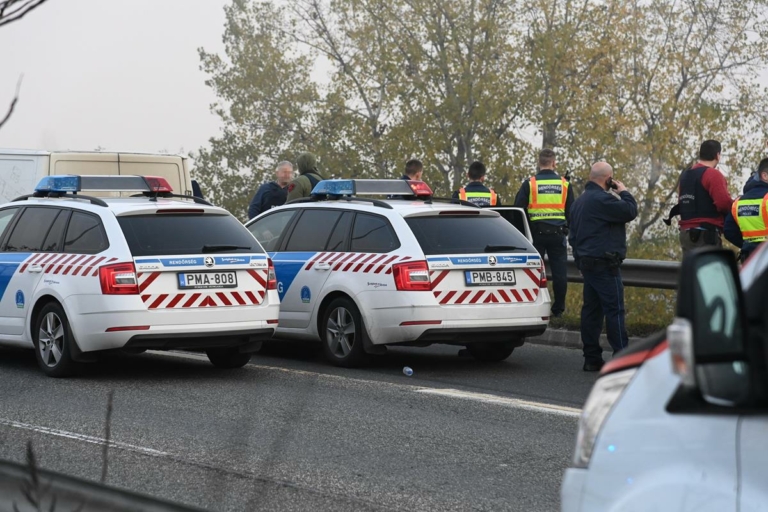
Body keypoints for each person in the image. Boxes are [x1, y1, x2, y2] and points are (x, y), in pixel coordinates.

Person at [568, 162, 637, 372]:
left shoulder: (579, 202)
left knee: (591, 312)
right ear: (608, 179)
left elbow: (574, 237)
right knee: (614, 311)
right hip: (605, 265)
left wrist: (580, 261)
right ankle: (622, 360)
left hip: (587, 264)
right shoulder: (602, 199)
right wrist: (624, 191)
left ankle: (591, 359)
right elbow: (629, 211)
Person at [514, 149, 573, 317]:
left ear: (539, 163)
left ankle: (531, 305)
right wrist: (566, 228)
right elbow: (571, 211)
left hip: (535, 235)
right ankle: (558, 309)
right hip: (557, 235)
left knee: (531, 271)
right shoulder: (564, 184)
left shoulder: (530, 184)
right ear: (554, 163)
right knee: (560, 273)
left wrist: (524, 232)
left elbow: (518, 209)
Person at [675, 140, 733, 252]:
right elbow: (723, 204)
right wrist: (735, 205)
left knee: (692, 268)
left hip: (685, 234)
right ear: (717, 155)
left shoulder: (686, 175)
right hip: (705, 234)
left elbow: (681, 203)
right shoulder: (712, 174)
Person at [724, 158, 768, 262]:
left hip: (748, 258)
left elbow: (729, 231)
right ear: (765, 176)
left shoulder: (738, 202)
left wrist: (747, 244)